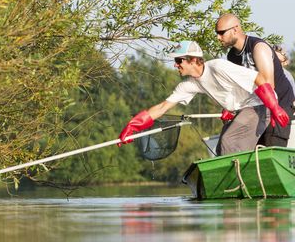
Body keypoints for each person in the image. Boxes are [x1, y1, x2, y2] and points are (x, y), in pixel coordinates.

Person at [118, 41, 289, 156]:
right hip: (244, 109)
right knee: (223, 145)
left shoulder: (218, 66)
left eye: (179, 61)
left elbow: (259, 79)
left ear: (193, 60)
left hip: (261, 105)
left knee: (229, 140)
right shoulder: (189, 85)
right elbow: (162, 107)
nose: (175, 65)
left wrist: (274, 107)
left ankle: (237, 182)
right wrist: (133, 126)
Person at [215, 13, 294, 147]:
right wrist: (229, 107)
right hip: (257, 105)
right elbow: (238, 87)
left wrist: (273, 109)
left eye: (221, 33)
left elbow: (269, 86)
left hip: (278, 104)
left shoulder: (258, 48)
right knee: (237, 143)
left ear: (235, 29)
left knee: (270, 149)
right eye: (217, 33)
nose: (218, 37)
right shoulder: (232, 57)